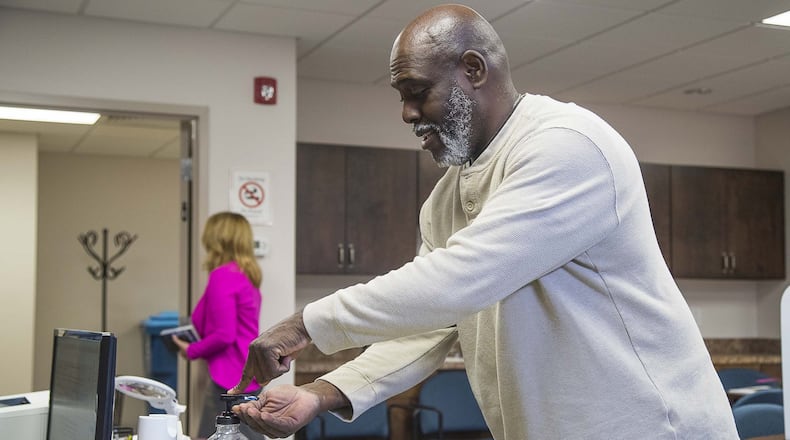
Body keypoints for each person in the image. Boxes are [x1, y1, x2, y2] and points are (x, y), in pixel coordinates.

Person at [231, 5, 739, 439]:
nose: (407, 113)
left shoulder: (568, 145)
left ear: (473, 69)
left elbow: (462, 280)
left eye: (417, 91)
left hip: (652, 426)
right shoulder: (447, 197)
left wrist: (304, 325)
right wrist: (321, 393)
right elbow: (428, 322)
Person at [171, 211, 264, 439]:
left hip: (229, 377)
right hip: (247, 372)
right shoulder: (246, 275)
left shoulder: (223, 276)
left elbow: (224, 335)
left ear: (217, 239)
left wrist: (190, 350)